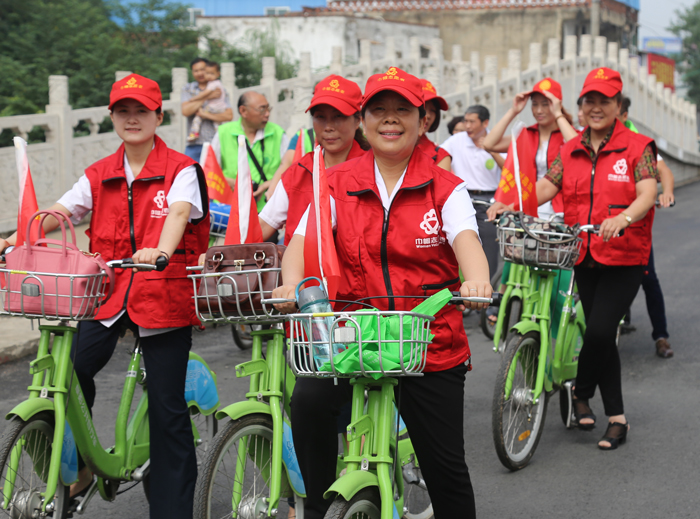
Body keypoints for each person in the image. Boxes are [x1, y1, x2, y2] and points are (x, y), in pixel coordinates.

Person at [272, 66, 491, 519]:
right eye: (379, 110)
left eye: (402, 110)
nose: (390, 120)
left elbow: (467, 242)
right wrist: (291, 281)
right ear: (364, 120)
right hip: (352, 334)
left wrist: (476, 280)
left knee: (446, 470)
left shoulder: (444, 187)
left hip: (426, 340)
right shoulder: (335, 182)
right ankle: (316, 506)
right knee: (308, 399)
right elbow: (301, 241)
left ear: (422, 119)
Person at [0, 74, 210, 517]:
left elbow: (177, 213)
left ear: (159, 116)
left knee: (168, 411)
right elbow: (59, 211)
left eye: (141, 111)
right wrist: (15, 239)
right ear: (112, 117)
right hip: (109, 295)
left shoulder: (181, 169)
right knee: (68, 369)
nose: (132, 119)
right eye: (122, 111)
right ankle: (81, 467)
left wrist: (161, 250)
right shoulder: (100, 173)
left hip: (162, 293)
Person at [492, 67, 659, 450]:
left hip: (626, 255)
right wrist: (510, 203)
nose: (596, 108)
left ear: (617, 105)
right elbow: (547, 187)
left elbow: (647, 192)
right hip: (583, 253)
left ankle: (581, 390)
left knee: (600, 331)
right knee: (602, 338)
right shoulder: (571, 150)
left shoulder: (638, 146)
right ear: (580, 107)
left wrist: (623, 217)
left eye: (605, 100)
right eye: (590, 101)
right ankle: (617, 418)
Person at [259, 75, 368, 244]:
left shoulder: (372, 170)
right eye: (320, 117)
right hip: (297, 269)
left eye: (338, 117)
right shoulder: (299, 172)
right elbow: (264, 225)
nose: (328, 127)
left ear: (358, 121)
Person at [617, 97, 675, 358]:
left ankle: (661, 336)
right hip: (601, 224)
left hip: (635, 224)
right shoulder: (589, 138)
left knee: (648, 279)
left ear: (623, 114)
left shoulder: (639, 142)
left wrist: (667, 193)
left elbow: (664, 172)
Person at [483, 77, 578, 220]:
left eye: (545, 104)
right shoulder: (527, 134)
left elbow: (579, 148)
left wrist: (559, 115)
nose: (539, 110)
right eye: (534, 104)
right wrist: (513, 111)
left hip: (560, 211)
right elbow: (489, 144)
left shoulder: (568, 133)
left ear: (557, 104)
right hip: (524, 206)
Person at [440, 104, 505, 278]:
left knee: (490, 246)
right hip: (463, 198)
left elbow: (508, 170)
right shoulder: (457, 140)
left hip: (489, 201)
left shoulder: (496, 140)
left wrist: (491, 149)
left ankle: (487, 292)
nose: (467, 126)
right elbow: (439, 155)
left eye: (472, 122)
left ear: (485, 123)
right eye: (465, 121)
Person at [211, 91, 289, 212]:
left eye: (268, 109)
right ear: (243, 111)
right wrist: (231, 183)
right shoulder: (223, 133)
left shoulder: (278, 133)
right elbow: (209, 171)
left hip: (266, 211)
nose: (267, 114)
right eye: (262, 109)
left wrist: (268, 184)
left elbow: (291, 170)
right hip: (229, 211)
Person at [181, 57, 234, 162]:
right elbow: (186, 111)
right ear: (192, 72)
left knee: (213, 176)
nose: (200, 73)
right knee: (189, 173)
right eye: (196, 71)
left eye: (203, 70)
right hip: (194, 144)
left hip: (215, 142)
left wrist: (204, 115)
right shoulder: (188, 88)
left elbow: (229, 116)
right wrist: (207, 97)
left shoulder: (220, 89)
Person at [266, 127, 315, 201]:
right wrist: (272, 189)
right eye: (320, 117)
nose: (328, 128)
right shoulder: (303, 136)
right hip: (303, 197)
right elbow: (286, 163)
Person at [187, 61, 229, 142]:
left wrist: (193, 99)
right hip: (221, 108)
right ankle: (219, 137)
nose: (209, 76)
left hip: (213, 107)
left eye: (211, 74)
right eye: (207, 73)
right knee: (217, 124)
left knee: (198, 117)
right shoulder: (219, 83)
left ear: (218, 74)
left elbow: (204, 94)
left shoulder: (212, 84)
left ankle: (194, 133)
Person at [415, 78, 452, 170]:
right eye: (423, 108)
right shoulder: (384, 145)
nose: (428, 116)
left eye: (433, 110)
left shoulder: (440, 156)